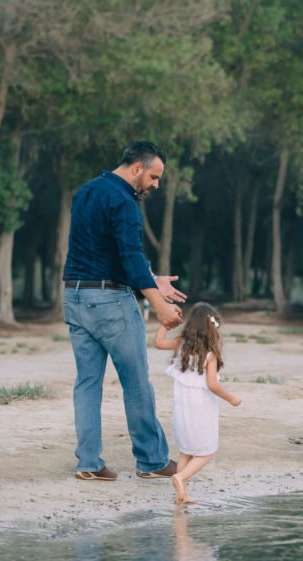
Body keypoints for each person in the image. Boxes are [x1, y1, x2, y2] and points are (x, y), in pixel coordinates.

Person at [63, 141, 186, 482]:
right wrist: (160, 306)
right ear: (136, 169)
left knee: (87, 383)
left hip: (74, 296)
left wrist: (151, 279)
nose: (155, 185)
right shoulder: (125, 202)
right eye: (154, 177)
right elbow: (128, 257)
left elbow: (104, 252)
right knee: (136, 383)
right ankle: (151, 461)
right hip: (110, 303)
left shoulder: (86, 191)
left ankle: (87, 463)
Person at [154, 302, 242, 504]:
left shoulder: (181, 344)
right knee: (206, 451)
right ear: (212, 329)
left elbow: (158, 342)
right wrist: (231, 398)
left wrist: (165, 324)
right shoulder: (210, 355)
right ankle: (181, 477)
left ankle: (181, 493)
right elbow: (212, 385)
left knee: (186, 450)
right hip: (201, 409)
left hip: (182, 407)